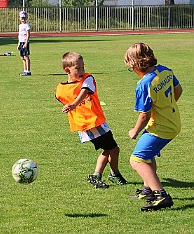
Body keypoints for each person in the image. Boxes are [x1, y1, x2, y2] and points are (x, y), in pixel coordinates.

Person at [124, 43, 183, 211]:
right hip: (172, 122)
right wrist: (165, 107)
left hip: (161, 128)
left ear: (135, 64)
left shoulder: (144, 84)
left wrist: (134, 131)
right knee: (147, 155)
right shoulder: (165, 71)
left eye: (130, 67)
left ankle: (161, 195)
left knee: (137, 160)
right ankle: (147, 190)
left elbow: (144, 115)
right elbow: (178, 90)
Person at [55, 52, 127, 188]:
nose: (82, 71)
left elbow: (85, 90)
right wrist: (72, 105)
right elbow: (61, 98)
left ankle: (109, 174)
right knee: (112, 149)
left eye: (83, 67)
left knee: (111, 149)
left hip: (97, 122)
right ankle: (104, 175)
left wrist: (74, 104)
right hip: (89, 123)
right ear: (67, 70)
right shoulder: (61, 89)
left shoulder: (88, 78)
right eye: (78, 68)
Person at [17, 11, 31, 76]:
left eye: (24, 18)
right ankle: (25, 70)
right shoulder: (20, 26)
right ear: (20, 18)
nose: (23, 19)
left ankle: (28, 70)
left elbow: (28, 34)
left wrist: (26, 43)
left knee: (26, 56)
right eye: (22, 17)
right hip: (21, 42)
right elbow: (19, 35)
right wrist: (18, 44)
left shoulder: (27, 25)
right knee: (22, 57)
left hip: (25, 42)